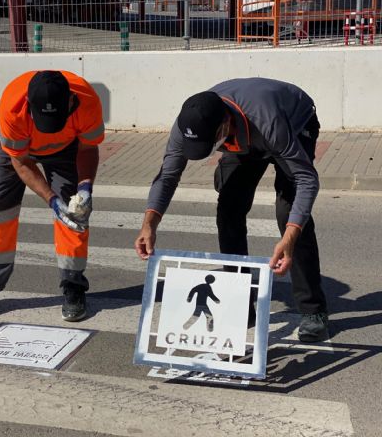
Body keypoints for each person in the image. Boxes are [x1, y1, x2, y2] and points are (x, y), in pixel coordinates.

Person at [135, 77, 329, 342]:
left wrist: (290, 237)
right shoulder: (188, 125)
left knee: (289, 212)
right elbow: (167, 176)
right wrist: (149, 224)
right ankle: (240, 303)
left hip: (292, 124)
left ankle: (312, 310)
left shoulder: (269, 121)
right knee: (228, 209)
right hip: (244, 137)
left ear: (225, 124)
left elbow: (307, 180)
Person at [0, 70, 104, 322]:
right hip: (16, 152)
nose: (48, 130)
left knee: (74, 212)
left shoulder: (88, 101)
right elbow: (21, 163)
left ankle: (73, 286)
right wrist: (51, 200)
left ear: (71, 102)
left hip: (66, 149)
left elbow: (87, 148)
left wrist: (85, 188)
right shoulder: (12, 107)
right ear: (29, 105)